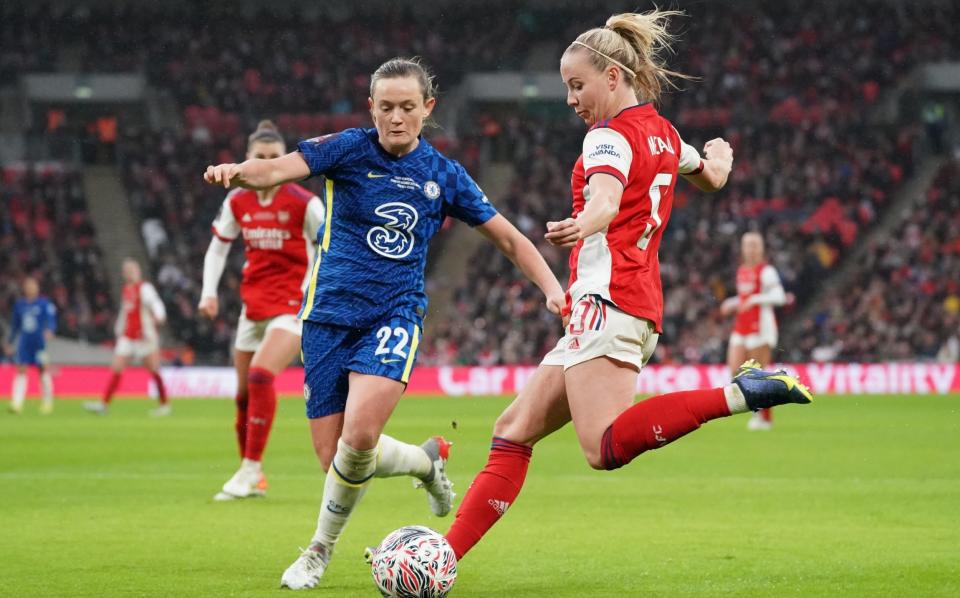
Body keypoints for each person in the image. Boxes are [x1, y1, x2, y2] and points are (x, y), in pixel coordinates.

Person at [437, 10, 813, 569]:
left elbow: (607, 201)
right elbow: (708, 177)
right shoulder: (662, 132)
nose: (570, 99)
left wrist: (583, 224)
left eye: (577, 84)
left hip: (609, 301)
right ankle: (443, 557)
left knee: (604, 447)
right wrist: (719, 160)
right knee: (512, 431)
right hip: (623, 302)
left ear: (613, 77)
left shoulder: (606, 138)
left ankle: (744, 393)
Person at [202, 57, 565, 590]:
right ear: (372, 107)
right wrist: (238, 172)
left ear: (428, 109)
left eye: (408, 108)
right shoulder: (348, 148)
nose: (396, 118)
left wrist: (554, 290)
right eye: (387, 107)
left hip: (393, 315)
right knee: (337, 461)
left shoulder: (444, 176)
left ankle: (318, 552)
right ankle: (424, 463)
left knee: (360, 435)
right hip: (326, 318)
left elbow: (509, 238)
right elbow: (277, 169)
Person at [199, 120, 325, 501]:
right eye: (261, 157)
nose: (268, 163)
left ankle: (250, 469)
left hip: (291, 306)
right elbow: (219, 246)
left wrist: (309, 293)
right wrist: (209, 292)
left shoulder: (306, 203)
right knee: (241, 395)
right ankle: (251, 473)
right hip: (252, 306)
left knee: (260, 377)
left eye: (275, 157)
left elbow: (325, 250)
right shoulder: (237, 200)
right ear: (248, 160)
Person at [84, 259, 169, 416]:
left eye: (132, 270)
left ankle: (164, 405)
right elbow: (126, 312)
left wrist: (159, 315)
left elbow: (155, 303)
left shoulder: (144, 288)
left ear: (138, 272)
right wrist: (119, 329)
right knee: (116, 368)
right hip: (128, 337)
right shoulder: (127, 289)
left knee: (154, 370)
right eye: (127, 271)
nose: (129, 273)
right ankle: (103, 405)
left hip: (144, 337)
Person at [720, 232, 788, 430]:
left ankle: (764, 417)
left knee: (756, 374)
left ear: (761, 248)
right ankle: (757, 410)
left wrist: (754, 300)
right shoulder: (741, 270)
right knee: (735, 370)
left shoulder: (767, 271)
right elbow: (745, 296)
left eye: (754, 245)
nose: (751, 249)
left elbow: (780, 296)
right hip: (742, 326)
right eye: (747, 245)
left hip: (761, 328)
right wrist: (732, 302)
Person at [5, 277, 57, 414]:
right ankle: (17, 403)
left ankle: (47, 402)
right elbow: (15, 326)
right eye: (28, 286)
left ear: (37, 288)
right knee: (21, 369)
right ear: (24, 288)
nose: (30, 288)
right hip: (25, 343)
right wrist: (10, 342)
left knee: (43, 370)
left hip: (40, 344)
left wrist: (50, 330)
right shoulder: (20, 305)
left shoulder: (44, 304)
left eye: (33, 286)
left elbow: (51, 319)